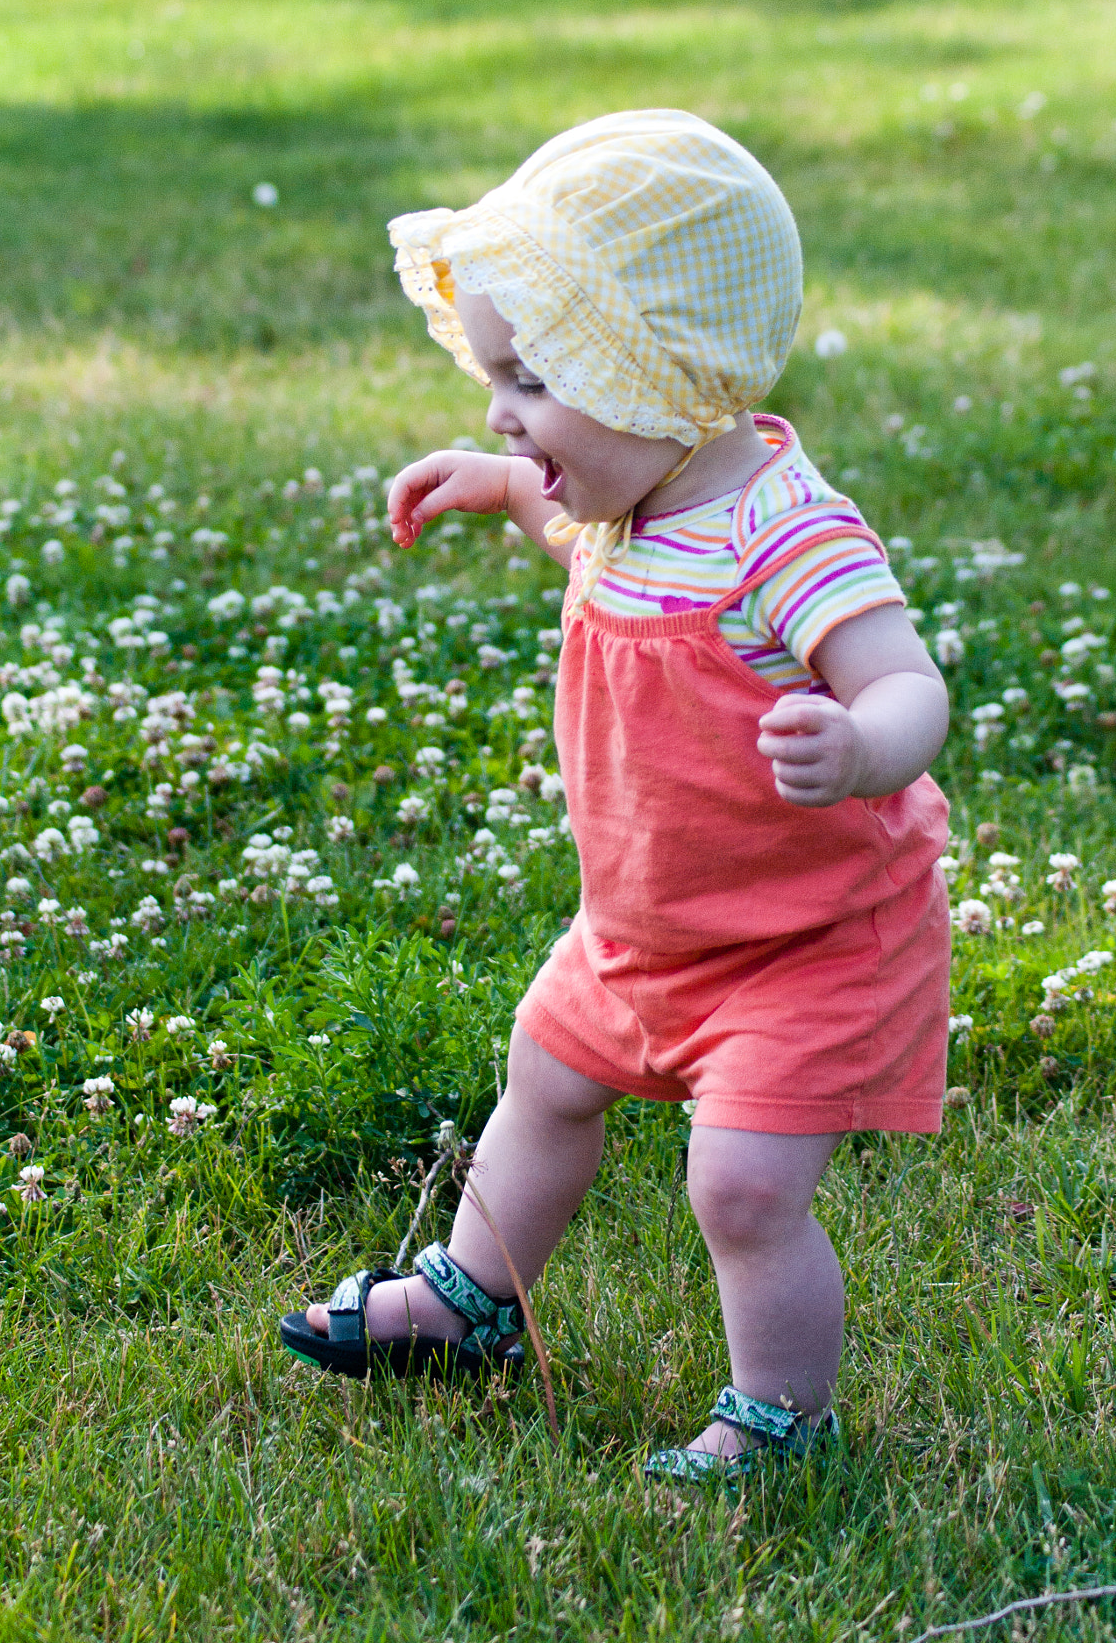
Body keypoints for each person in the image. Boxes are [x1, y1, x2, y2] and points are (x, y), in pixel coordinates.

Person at [279, 109, 950, 1484]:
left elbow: (907, 682)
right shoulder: (622, 503)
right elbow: (578, 543)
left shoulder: (787, 531)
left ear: (652, 371)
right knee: (546, 1082)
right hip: (641, 923)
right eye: (495, 382)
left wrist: (862, 746)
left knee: (743, 1188)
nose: (497, 409)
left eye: (530, 381)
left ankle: (778, 1417)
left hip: (802, 939)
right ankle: (472, 1302)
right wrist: (498, 486)